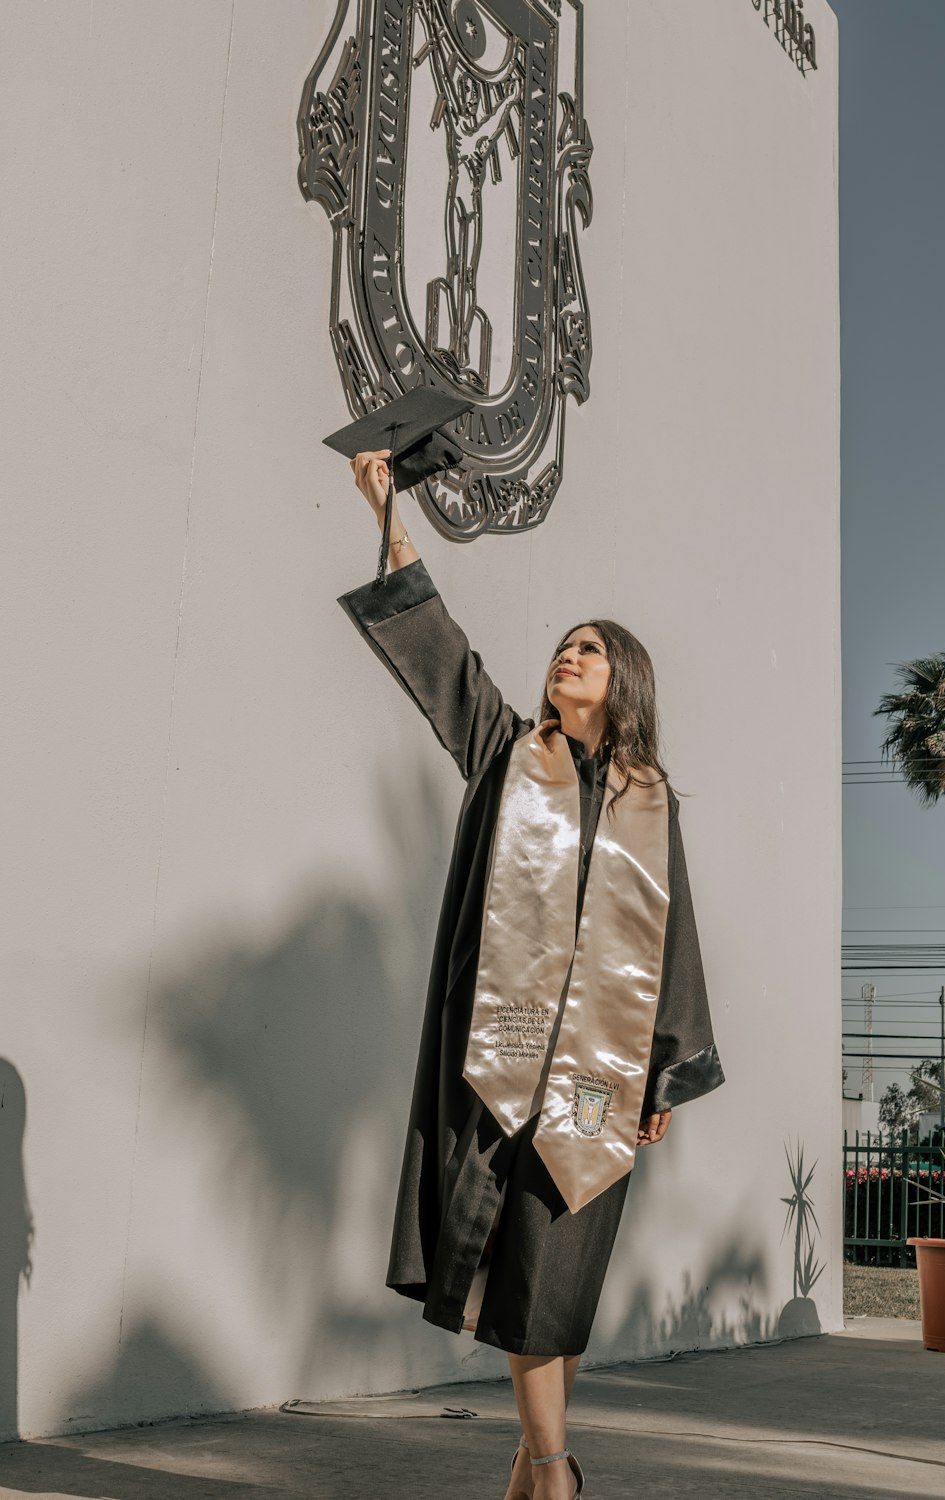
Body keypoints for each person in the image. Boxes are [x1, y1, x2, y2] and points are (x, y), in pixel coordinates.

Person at [340, 448, 726, 1500]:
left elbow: (673, 940)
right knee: (517, 1277)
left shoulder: (652, 805)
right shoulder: (509, 754)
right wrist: (385, 506)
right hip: (497, 1068)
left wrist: (664, 1074)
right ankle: (553, 1467)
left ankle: (535, 1463)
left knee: (552, 1284)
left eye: (589, 651)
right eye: (561, 647)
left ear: (624, 679)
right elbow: (437, 652)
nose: (568, 656)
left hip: (596, 1078)